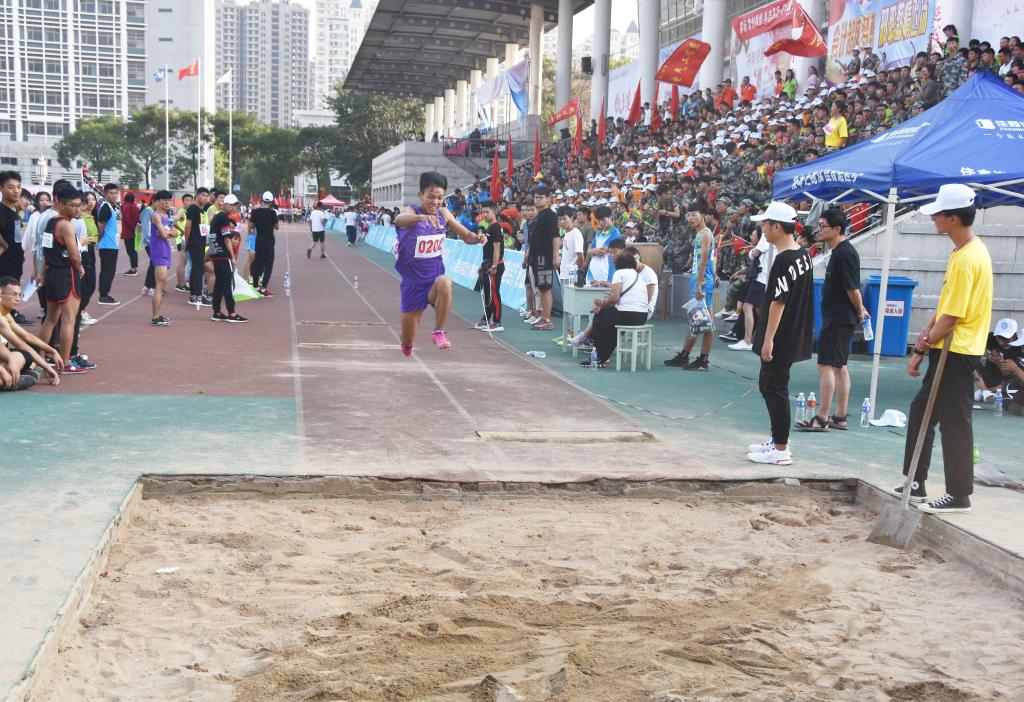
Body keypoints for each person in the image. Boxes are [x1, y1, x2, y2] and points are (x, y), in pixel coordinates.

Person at [895, 184, 992, 514]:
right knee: (922, 411)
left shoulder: (968, 257)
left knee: (954, 421)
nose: (933, 219)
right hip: (949, 347)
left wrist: (924, 343)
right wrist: (925, 338)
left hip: (958, 349)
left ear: (953, 218)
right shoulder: (962, 252)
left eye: (938, 214)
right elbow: (946, 304)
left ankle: (959, 494)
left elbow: (953, 316)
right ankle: (915, 481)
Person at [747, 201, 814, 466]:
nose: (762, 229)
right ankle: (776, 438)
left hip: (782, 335)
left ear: (777, 227)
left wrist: (768, 340)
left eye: (765, 224)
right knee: (770, 386)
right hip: (792, 332)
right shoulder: (802, 254)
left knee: (774, 388)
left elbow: (778, 302)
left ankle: (780, 449)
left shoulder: (784, 259)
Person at [393, 171, 486, 355]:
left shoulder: (443, 213)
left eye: (440, 197)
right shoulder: (412, 211)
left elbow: (467, 236)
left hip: (433, 280)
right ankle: (407, 341)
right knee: (408, 338)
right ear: (421, 195)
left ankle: (439, 332)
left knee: (445, 282)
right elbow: (399, 220)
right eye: (431, 197)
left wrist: (477, 238)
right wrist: (420, 218)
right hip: (412, 283)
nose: (435, 202)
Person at [796, 208, 867, 432]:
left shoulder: (844, 254)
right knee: (839, 366)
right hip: (840, 316)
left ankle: (822, 417)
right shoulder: (840, 252)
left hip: (838, 318)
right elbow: (851, 288)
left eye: (823, 226)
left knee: (825, 365)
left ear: (837, 229)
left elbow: (852, 288)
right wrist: (859, 309)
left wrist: (860, 309)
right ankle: (839, 416)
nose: (819, 230)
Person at [38, 186, 85, 371]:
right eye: (73, 205)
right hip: (65, 274)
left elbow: (45, 251)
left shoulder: (50, 222)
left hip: (52, 273)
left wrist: (43, 273)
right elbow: (74, 255)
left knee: (50, 319)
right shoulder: (66, 225)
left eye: (79, 205)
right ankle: (65, 362)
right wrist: (79, 268)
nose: (77, 209)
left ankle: (40, 357)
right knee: (68, 320)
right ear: (62, 205)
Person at [666, 203, 716, 371]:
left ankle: (703, 360)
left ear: (703, 215)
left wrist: (699, 285)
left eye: (694, 214)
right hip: (699, 281)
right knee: (698, 321)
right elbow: (707, 259)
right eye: (688, 215)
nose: (689, 218)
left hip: (703, 284)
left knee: (706, 322)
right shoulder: (700, 234)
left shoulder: (705, 234)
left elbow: (704, 260)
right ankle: (684, 356)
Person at [584, 251, 652, 368]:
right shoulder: (637, 275)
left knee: (599, 317)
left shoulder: (619, 273)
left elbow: (615, 298)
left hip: (627, 314)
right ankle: (602, 356)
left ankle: (598, 355)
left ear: (618, 263)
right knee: (609, 322)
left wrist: (602, 304)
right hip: (642, 316)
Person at [0, 276, 61, 386]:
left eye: (20, 294)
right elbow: (20, 344)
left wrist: (52, 351)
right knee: (25, 356)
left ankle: (15, 377)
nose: (18, 299)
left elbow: (27, 336)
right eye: (13, 294)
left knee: (30, 354)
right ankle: (14, 382)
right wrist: (47, 367)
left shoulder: (6, 315)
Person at [206, 194, 247, 323]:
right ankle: (232, 313)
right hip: (222, 255)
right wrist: (232, 257)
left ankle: (217, 312)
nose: (235, 207)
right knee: (227, 284)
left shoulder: (218, 217)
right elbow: (227, 239)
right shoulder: (223, 218)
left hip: (215, 253)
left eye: (236, 205)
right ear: (226, 205)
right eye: (233, 205)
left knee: (219, 284)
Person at [527, 187, 561, 331]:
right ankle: (544, 317)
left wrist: (555, 256)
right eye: (536, 197)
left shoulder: (549, 215)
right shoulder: (539, 215)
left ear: (548, 199)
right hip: (536, 257)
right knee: (541, 288)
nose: (538, 199)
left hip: (544, 258)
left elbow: (555, 236)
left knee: (545, 288)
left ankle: (547, 319)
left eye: (541, 197)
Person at [474, 201, 505, 333]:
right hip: (488, 264)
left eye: (488, 212)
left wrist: (494, 266)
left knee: (494, 294)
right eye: (483, 212)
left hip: (495, 265)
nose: (485, 214)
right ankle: (486, 319)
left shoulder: (496, 227)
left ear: (494, 212)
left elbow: (497, 248)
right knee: (488, 294)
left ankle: (497, 322)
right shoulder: (490, 227)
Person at [147, 190, 175, 326]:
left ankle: (157, 315)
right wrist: (169, 233)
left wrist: (168, 233)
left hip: (165, 250)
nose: (167, 203)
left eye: (169, 200)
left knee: (162, 285)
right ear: (157, 202)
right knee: (159, 285)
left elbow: (174, 232)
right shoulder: (156, 215)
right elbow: (164, 235)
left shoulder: (166, 215)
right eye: (164, 200)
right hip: (159, 251)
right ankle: (155, 317)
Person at [183, 188, 213, 307]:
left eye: (207, 196)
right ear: (197, 196)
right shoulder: (193, 208)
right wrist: (187, 242)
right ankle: (196, 296)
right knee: (197, 270)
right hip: (194, 243)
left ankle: (195, 296)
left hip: (201, 243)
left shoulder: (201, 210)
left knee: (198, 269)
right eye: (203, 195)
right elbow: (187, 226)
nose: (205, 198)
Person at [95, 183, 121, 305]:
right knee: (107, 271)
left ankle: (105, 294)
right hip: (107, 246)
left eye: (115, 193)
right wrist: (98, 240)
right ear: (105, 194)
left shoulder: (110, 207)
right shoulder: (105, 207)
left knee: (110, 271)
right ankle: (103, 296)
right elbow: (101, 226)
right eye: (111, 193)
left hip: (112, 245)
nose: (114, 195)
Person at [249, 191, 280, 295]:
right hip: (269, 242)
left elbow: (251, 225)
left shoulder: (255, 212)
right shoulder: (272, 213)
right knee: (268, 265)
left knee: (257, 263)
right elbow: (277, 227)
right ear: (271, 201)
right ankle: (263, 288)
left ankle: (255, 286)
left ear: (262, 200)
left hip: (259, 241)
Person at [0, 171, 24, 286]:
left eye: (18, 187)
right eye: (11, 187)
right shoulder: (1, 210)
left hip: (15, 266)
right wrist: (5, 245)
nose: (16, 191)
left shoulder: (15, 212)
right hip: (4, 268)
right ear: (1, 188)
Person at [173, 193, 193, 292]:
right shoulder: (182, 212)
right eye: (187, 200)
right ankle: (180, 285)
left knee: (185, 262)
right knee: (182, 262)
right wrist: (182, 230)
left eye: (191, 200)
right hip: (181, 240)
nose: (189, 202)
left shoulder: (189, 212)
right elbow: (174, 220)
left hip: (186, 240)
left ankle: (182, 283)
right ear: (183, 202)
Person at [119, 192, 140, 276]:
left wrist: (132, 229)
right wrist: (135, 230)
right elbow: (138, 219)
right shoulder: (136, 207)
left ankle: (133, 269)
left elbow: (127, 219)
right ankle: (134, 267)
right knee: (134, 251)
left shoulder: (125, 207)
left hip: (128, 232)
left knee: (130, 251)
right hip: (135, 232)